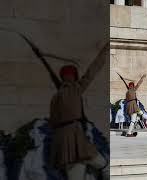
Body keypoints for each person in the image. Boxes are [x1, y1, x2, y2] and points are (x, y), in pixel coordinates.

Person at [37, 43, 109, 180]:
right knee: (104, 166)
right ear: (74, 76)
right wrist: (105, 50)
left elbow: (53, 122)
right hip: (76, 139)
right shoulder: (76, 88)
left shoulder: (55, 97)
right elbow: (92, 71)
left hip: (62, 144)